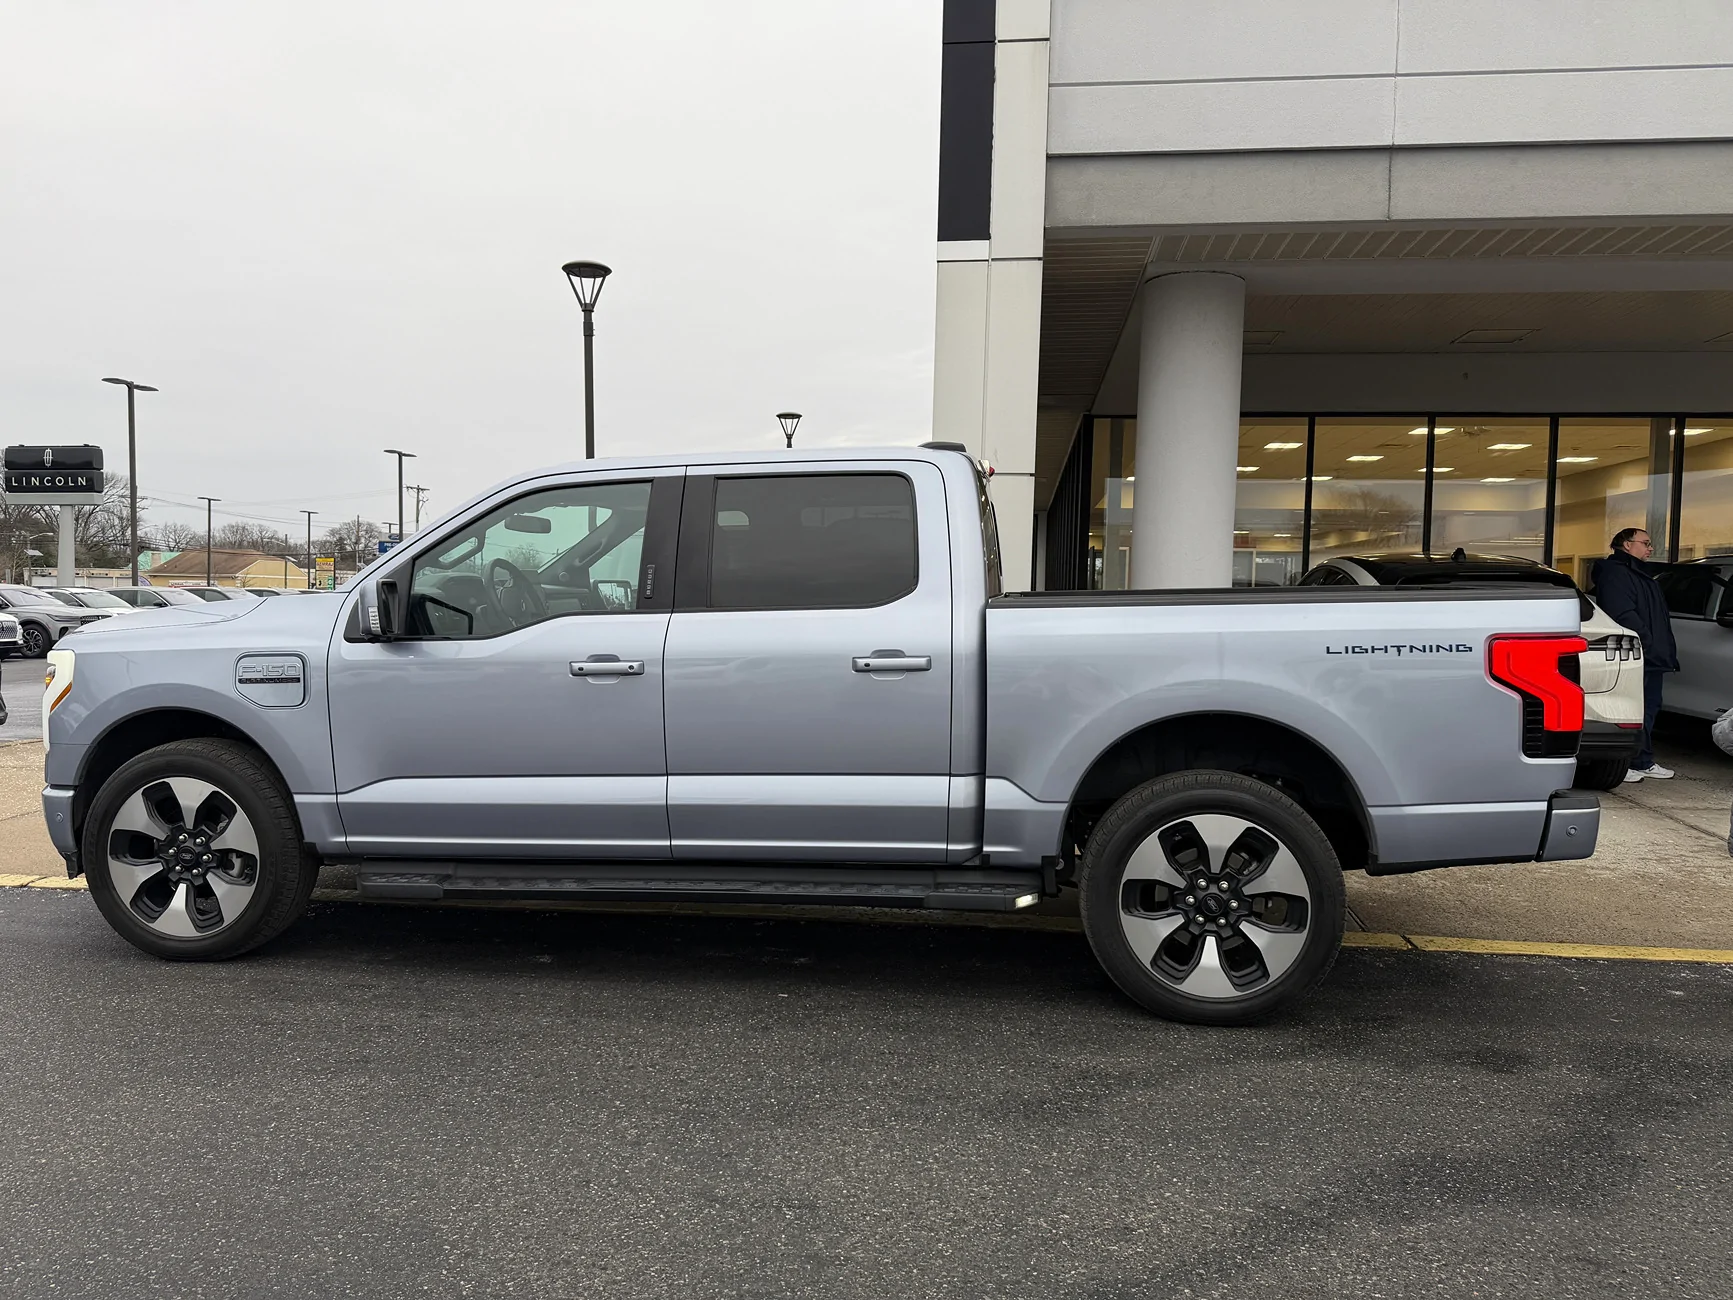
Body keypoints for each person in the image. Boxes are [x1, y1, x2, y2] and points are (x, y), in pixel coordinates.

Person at [1590, 527, 1679, 781]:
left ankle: (1641, 761)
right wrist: (1647, 642)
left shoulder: (1639, 574)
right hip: (1637, 653)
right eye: (1646, 543)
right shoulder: (1616, 574)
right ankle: (1628, 762)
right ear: (1627, 545)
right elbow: (1623, 613)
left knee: (1649, 707)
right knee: (1634, 710)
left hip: (1650, 654)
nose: (1650, 548)